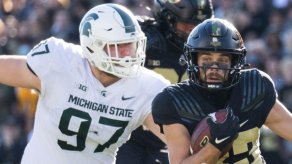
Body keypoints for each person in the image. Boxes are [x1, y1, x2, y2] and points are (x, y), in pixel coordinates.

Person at [0, 3, 170, 164]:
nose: (128, 54)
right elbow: (8, 68)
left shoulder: (147, 86)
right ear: (93, 46)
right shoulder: (60, 61)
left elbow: (181, 141)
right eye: (119, 46)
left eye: (131, 44)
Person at [151, 18, 292, 163]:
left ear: (235, 62)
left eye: (222, 60)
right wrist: (214, 147)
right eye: (206, 59)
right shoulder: (175, 101)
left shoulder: (253, 88)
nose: (214, 68)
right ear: (193, 59)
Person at [116, 0, 213, 163]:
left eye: (198, 24)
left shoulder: (205, 50)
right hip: (127, 134)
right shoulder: (142, 39)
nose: (192, 30)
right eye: (185, 23)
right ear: (167, 17)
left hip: (167, 140)